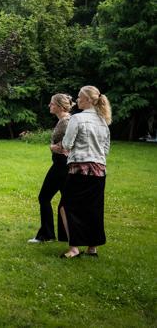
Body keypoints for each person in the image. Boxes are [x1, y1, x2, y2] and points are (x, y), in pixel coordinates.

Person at [57, 85, 112, 258]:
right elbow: (106, 148)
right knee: (93, 208)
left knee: (66, 206)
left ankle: (73, 248)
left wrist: (55, 147)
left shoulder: (77, 119)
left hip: (79, 169)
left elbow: (66, 144)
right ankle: (92, 248)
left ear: (88, 100)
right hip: (99, 171)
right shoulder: (103, 120)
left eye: (80, 97)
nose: (77, 99)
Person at [28, 93, 74, 243]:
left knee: (44, 197)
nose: (49, 105)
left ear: (60, 106)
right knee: (66, 201)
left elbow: (68, 144)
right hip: (63, 164)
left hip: (61, 165)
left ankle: (46, 235)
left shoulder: (66, 122)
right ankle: (65, 236)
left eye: (52, 103)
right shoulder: (65, 120)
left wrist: (53, 147)